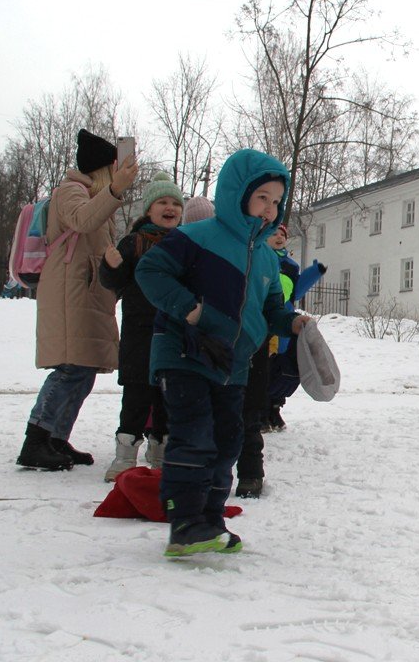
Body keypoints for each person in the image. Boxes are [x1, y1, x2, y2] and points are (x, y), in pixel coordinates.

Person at [136, 148, 311, 557]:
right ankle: (185, 524)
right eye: (261, 197)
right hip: (185, 353)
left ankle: (210, 519)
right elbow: (150, 271)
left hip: (232, 363)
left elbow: (272, 310)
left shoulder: (266, 257)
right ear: (238, 193)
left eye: (276, 201)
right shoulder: (197, 237)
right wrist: (191, 310)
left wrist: (293, 323)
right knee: (194, 435)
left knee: (228, 441)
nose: (269, 208)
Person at [15, 129, 138, 471]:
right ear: (103, 169)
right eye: (114, 168)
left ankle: (55, 438)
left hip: (86, 295)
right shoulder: (70, 190)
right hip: (69, 294)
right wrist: (115, 190)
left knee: (83, 370)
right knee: (70, 368)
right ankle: (36, 439)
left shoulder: (96, 198)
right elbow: (83, 220)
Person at [99, 171, 184, 481]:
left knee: (167, 396)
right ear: (149, 209)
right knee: (136, 395)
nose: (170, 207)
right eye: (162, 202)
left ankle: (161, 452)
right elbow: (114, 282)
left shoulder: (185, 243)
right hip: (139, 333)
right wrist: (110, 266)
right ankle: (125, 456)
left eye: (175, 203)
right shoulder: (134, 242)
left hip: (174, 332)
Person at [262, 222, 325, 433]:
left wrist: (315, 272)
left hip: (285, 319)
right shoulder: (259, 259)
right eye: (274, 234)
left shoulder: (290, 266)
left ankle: (274, 406)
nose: (279, 237)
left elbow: (297, 292)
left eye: (282, 234)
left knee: (285, 367)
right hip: (264, 320)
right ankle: (260, 408)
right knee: (264, 366)